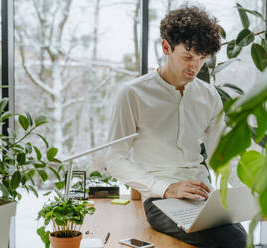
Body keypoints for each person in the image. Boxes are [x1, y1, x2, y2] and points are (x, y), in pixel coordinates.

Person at [105, 5, 247, 248]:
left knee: (242, 238)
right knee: (235, 240)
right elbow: (114, 160)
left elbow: (220, 155)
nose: (195, 66)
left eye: (202, 58)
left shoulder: (209, 95)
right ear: (166, 48)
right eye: (188, 56)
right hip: (160, 199)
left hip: (205, 197)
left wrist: (248, 193)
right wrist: (167, 188)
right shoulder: (133, 94)